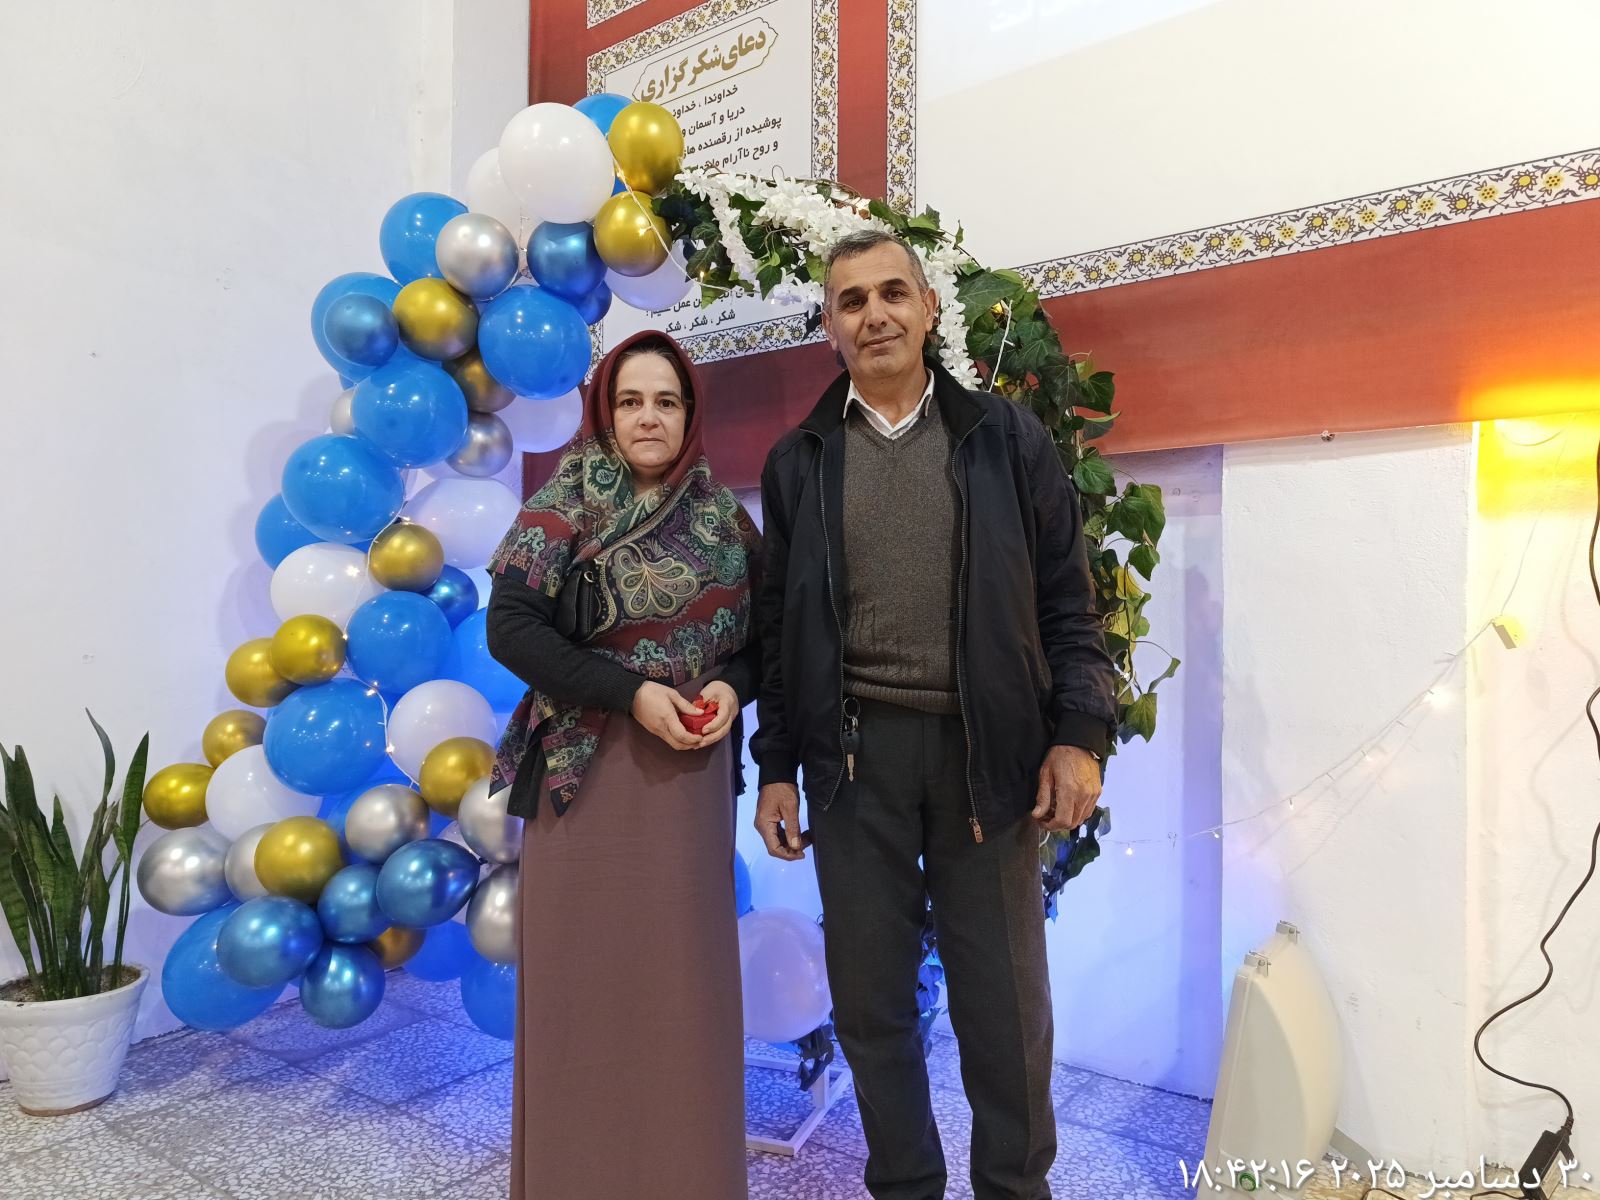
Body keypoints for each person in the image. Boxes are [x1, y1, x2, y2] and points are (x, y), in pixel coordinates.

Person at [750, 229, 1118, 1200]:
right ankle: (905, 1185)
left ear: (927, 309)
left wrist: (1079, 735)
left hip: (986, 759)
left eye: (891, 294)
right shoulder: (799, 462)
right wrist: (776, 765)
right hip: (852, 764)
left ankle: (1014, 1188)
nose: (873, 314)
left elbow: (1067, 602)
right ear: (829, 328)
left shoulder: (1006, 441)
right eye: (851, 301)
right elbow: (780, 634)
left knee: (1003, 1006)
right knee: (870, 1007)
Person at [485, 330, 760, 1200]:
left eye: (667, 402)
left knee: (682, 995)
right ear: (605, 411)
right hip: (585, 783)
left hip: (687, 788)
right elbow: (511, 629)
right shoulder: (562, 504)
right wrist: (631, 693)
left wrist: (732, 687)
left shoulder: (725, 520)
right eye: (631, 400)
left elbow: (767, 640)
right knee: (586, 995)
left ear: (689, 415)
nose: (649, 417)